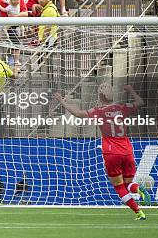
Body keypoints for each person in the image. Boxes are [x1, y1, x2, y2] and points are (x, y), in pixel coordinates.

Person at [55, 84, 151, 220]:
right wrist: (131, 90)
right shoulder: (122, 107)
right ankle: (138, 189)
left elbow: (78, 113)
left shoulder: (98, 111)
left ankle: (138, 211)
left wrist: (62, 101)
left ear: (99, 96)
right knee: (128, 184)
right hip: (127, 150)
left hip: (111, 151)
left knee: (119, 187)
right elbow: (140, 102)